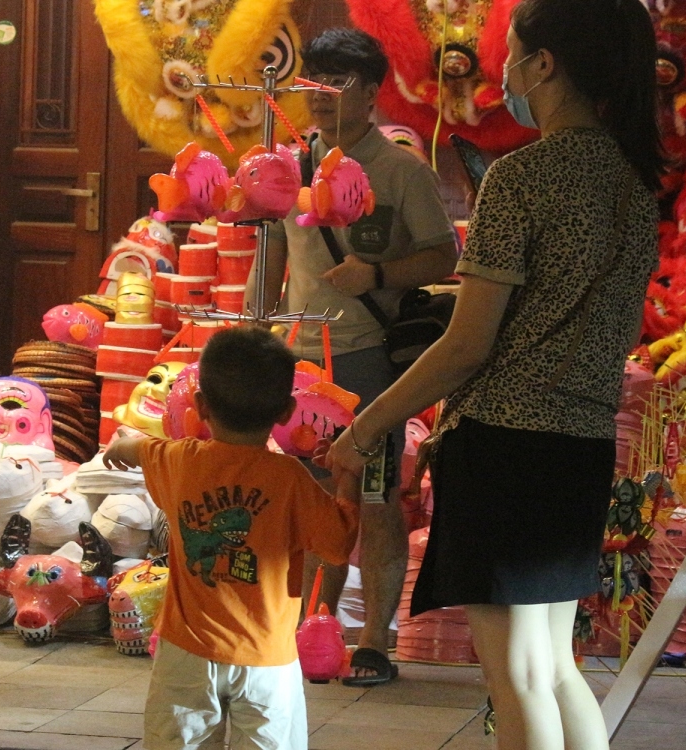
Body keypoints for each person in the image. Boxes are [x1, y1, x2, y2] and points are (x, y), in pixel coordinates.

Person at [318, 1, 664, 748]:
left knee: (514, 677)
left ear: (544, 66)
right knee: (550, 669)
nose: (498, 71)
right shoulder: (635, 184)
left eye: (508, 53)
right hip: (581, 443)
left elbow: (468, 345)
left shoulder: (523, 177)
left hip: (505, 443)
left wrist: (366, 426)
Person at [247, 27, 459, 686]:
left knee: (372, 498)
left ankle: (375, 642)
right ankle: (317, 630)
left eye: (337, 85)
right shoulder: (287, 167)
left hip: (367, 359)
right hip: (302, 360)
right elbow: (274, 263)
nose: (320, 99)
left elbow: (445, 256)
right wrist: (261, 337)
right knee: (311, 501)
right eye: (313, 85)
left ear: (370, 93)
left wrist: (378, 274)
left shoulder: (399, 169)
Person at [104, 327, 360, 750]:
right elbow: (336, 547)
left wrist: (122, 442)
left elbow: (136, 446)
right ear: (286, 411)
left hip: (186, 653)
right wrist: (347, 478)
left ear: (201, 406)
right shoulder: (290, 480)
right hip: (265, 660)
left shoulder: (178, 460)